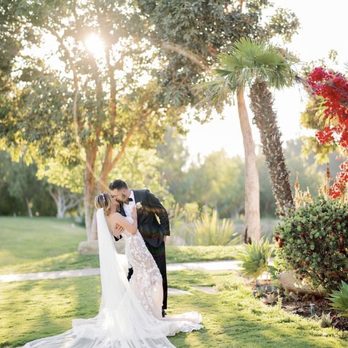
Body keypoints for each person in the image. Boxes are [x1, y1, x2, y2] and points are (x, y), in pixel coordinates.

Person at [23, 193, 202, 348]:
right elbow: (132, 229)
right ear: (109, 202)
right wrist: (134, 215)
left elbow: (117, 234)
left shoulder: (109, 217)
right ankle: (153, 316)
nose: (116, 200)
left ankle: (149, 313)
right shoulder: (114, 215)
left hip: (134, 248)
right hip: (136, 246)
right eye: (113, 198)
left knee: (143, 278)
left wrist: (125, 223)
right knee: (153, 275)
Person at [109, 179, 170, 317]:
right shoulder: (117, 206)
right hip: (135, 248)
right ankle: (135, 309)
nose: (114, 198)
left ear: (123, 191)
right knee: (134, 276)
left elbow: (162, 212)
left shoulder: (144, 195)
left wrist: (164, 234)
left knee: (159, 274)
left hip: (154, 241)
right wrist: (116, 235)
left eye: (115, 195)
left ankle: (160, 308)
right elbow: (119, 227)